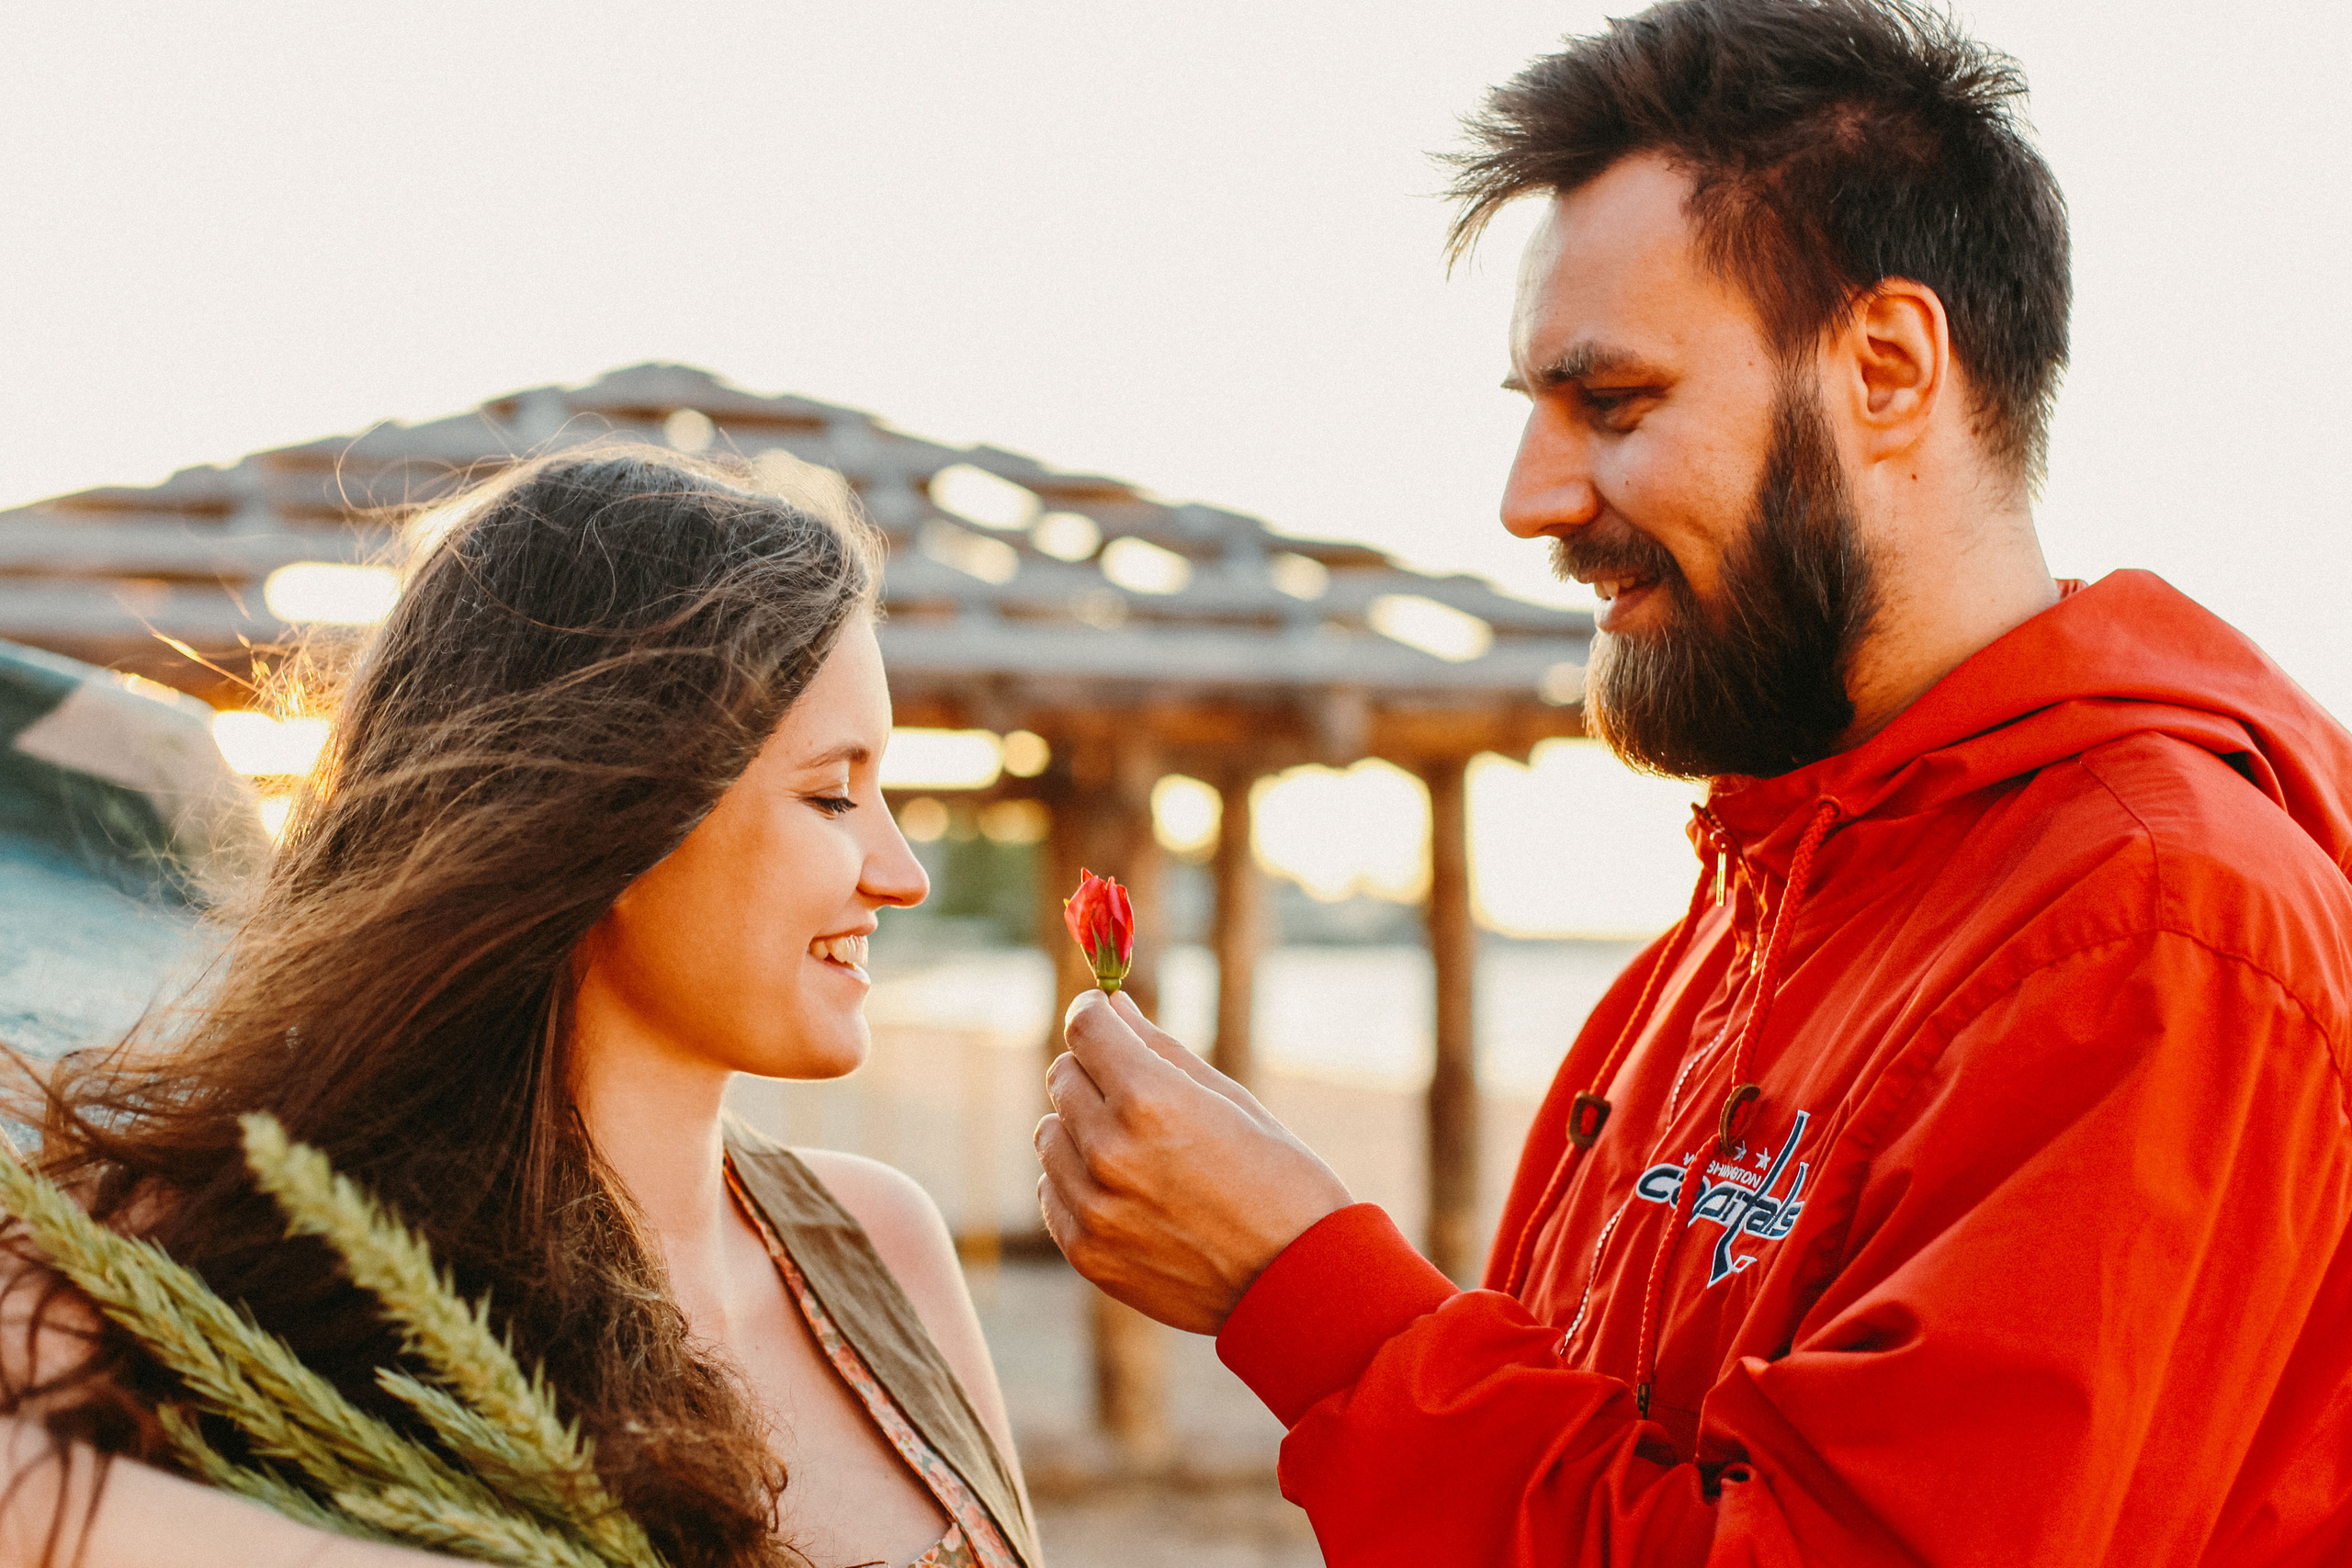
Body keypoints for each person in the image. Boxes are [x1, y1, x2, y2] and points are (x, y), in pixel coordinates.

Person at [1034, 1, 2352, 1562]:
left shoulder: (2150, 931)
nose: (1531, 497)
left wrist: (1312, 1290)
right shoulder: (1757, 904)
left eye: (1614, 403)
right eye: (1532, 410)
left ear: (1885, 367)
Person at [0, 447, 1037, 1568]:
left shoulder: (880, 1245)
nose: (901, 872)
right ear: (618, 811)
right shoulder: (226, 1254)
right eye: (833, 795)